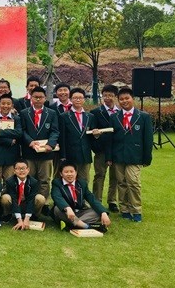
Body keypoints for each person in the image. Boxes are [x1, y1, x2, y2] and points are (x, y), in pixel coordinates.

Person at [105, 87, 153, 223]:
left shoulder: (143, 116)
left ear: (133, 99)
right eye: (121, 99)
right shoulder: (114, 117)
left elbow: (148, 139)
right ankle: (124, 209)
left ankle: (136, 210)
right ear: (118, 101)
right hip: (118, 155)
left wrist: (147, 158)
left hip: (135, 156)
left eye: (127, 98)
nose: (124, 101)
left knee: (133, 182)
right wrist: (109, 157)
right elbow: (110, 139)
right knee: (121, 183)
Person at [19, 86, 59, 209]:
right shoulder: (24, 113)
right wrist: (30, 141)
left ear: (45, 98)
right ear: (31, 98)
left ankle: (43, 204)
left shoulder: (51, 113)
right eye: (35, 97)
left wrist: (50, 144)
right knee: (29, 179)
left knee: (45, 180)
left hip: (46, 153)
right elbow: (22, 130)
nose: (38, 99)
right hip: (29, 152)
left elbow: (55, 131)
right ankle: (29, 203)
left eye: (40, 97)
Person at [51, 162, 111, 232]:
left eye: (71, 171)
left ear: (76, 173)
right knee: (57, 209)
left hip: (79, 212)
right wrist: (67, 208)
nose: (69, 174)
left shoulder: (82, 183)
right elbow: (57, 197)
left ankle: (72, 224)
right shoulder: (57, 183)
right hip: (65, 213)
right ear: (61, 174)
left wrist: (103, 212)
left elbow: (92, 199)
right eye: (66, 172)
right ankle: (86, 226)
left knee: (98, 212)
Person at [90, 84, 119, 211]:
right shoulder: (95, 113)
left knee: (115, 176)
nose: (107, 98)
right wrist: (96, 136)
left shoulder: (120, 113)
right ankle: (97, 201)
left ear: (115, 97)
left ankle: (112, 201)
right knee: (99, 175)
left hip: (117, 149)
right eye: (105, 95)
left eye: (110, 95)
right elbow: (92, 132)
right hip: (101, 150)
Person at [58, 88, 97, 181]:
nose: (78, 100)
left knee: (85, 180)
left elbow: (92, 135)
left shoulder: (90, 116)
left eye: (80, 98)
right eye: (75, 98)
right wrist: (63, 156)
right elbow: (62, 137)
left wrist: (96, 134)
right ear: (70, 99)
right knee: (69, 180)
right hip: (70, 154)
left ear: (84, 99)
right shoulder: (64, 116)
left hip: (85, 154)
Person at [0, 93, 22, 184]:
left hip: (11, 157)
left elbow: (18, 133)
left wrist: (0, 132)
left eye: (8, 104)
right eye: (3, 103)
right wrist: (9, 141)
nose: (6, 106)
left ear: (12, 105)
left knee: (10, 183)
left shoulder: (17, 118)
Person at [0, 159, 46, 229]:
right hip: (15, 204)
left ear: (28, 170)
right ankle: (8, 215)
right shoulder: (10, 181)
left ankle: (33, 216)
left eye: (23, 168)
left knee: (40, 198)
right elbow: (14, 199)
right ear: (14, 171)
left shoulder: (34, 182)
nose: (21, 171)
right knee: (5, 198)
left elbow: (31, 199)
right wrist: (19, 220)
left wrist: (26, 219)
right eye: (18, 169)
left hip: (27, 204)